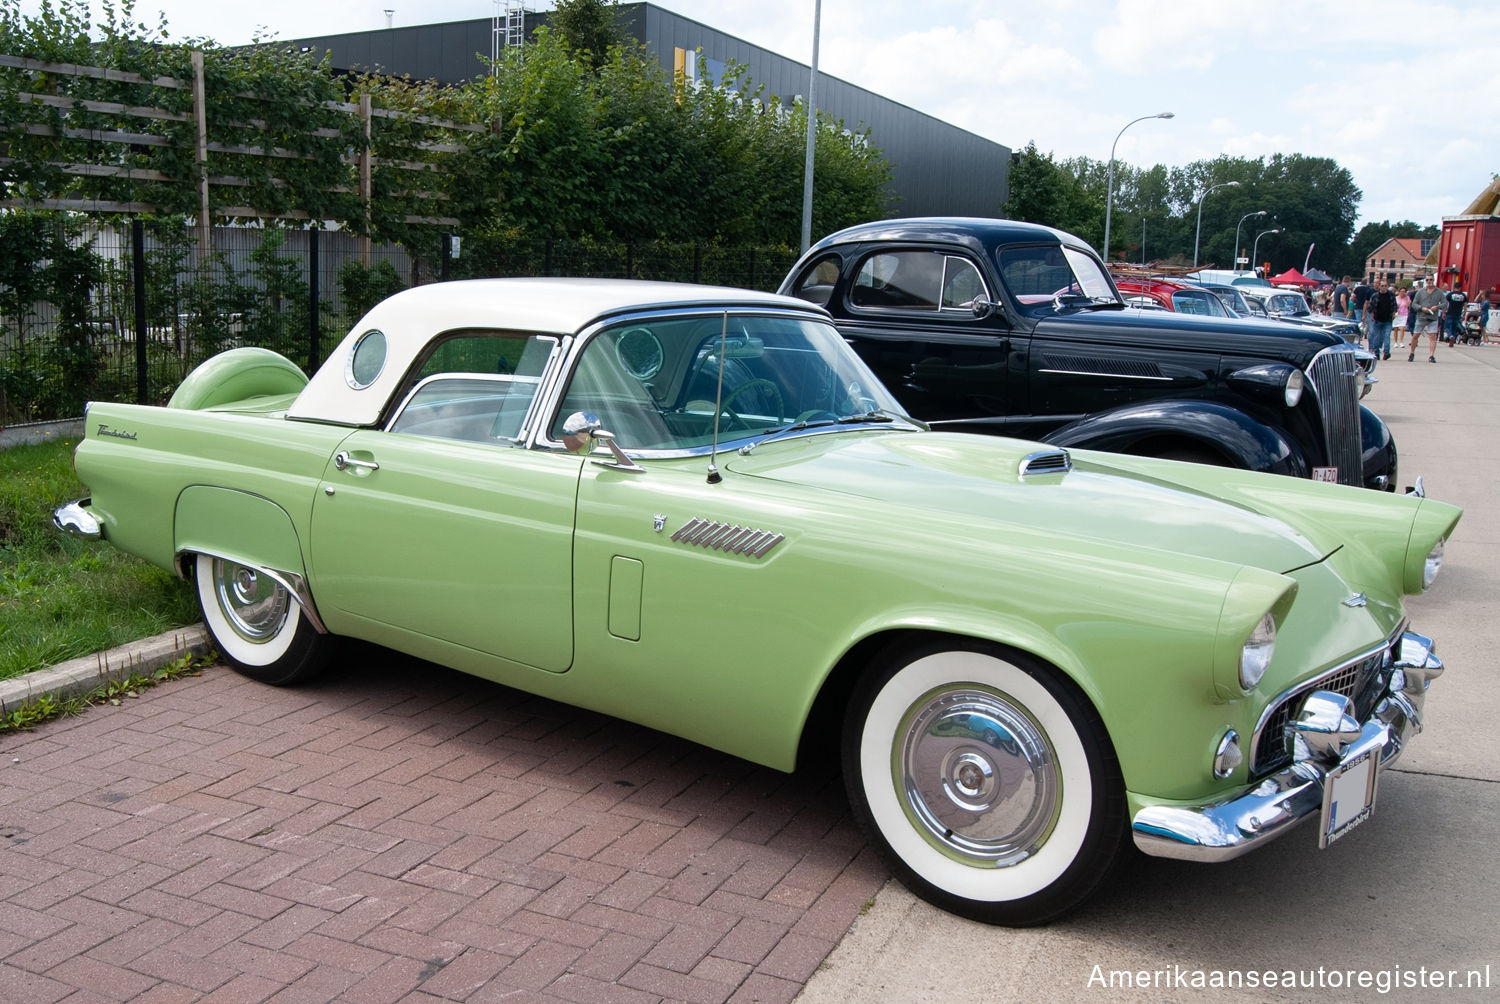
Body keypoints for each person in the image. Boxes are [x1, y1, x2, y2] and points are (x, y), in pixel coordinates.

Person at [1410, 279, 1446, 362]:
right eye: (1427, 280)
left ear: (1433, 280)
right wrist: (1421, 308)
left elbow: (1445, 303)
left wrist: (1437, 307)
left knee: (1433, 336)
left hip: (1433, 317)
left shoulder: (1439, 292)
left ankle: (1431, 355)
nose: (1429, 281)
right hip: (1421, 316)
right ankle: (1412, 353)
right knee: (1415, 335)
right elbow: (1414, 304)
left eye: (1431, 280)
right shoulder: (1420, 292)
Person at [1364, 277, 1396, 360]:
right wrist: (1372, 315)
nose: (1383, 287)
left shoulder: (1391, 295)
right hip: (1377, 320)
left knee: (1387, 336)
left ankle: (1386, 352)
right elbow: (1370, 307)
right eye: (1382, 286)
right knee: (1376, 337)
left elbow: (1394, 306)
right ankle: (1377, 352)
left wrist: (1393, 314)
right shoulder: (1375, 295)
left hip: (1388, 320)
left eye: (1385, 286)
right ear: (1379, 286)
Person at [1392, 284, 1411, 351]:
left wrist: (1406, 298)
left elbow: (1408, 305)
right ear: (1399, 291)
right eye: (1401, 291)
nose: (1402, 293)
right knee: (1396, 328)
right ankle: (1395, 342)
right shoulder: (1396, 298)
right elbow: (1393, 305)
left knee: (1402, 328)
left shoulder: (1407, 298)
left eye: (1404, 291)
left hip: (1404, 314)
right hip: (1397, 314)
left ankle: (1401, 342)